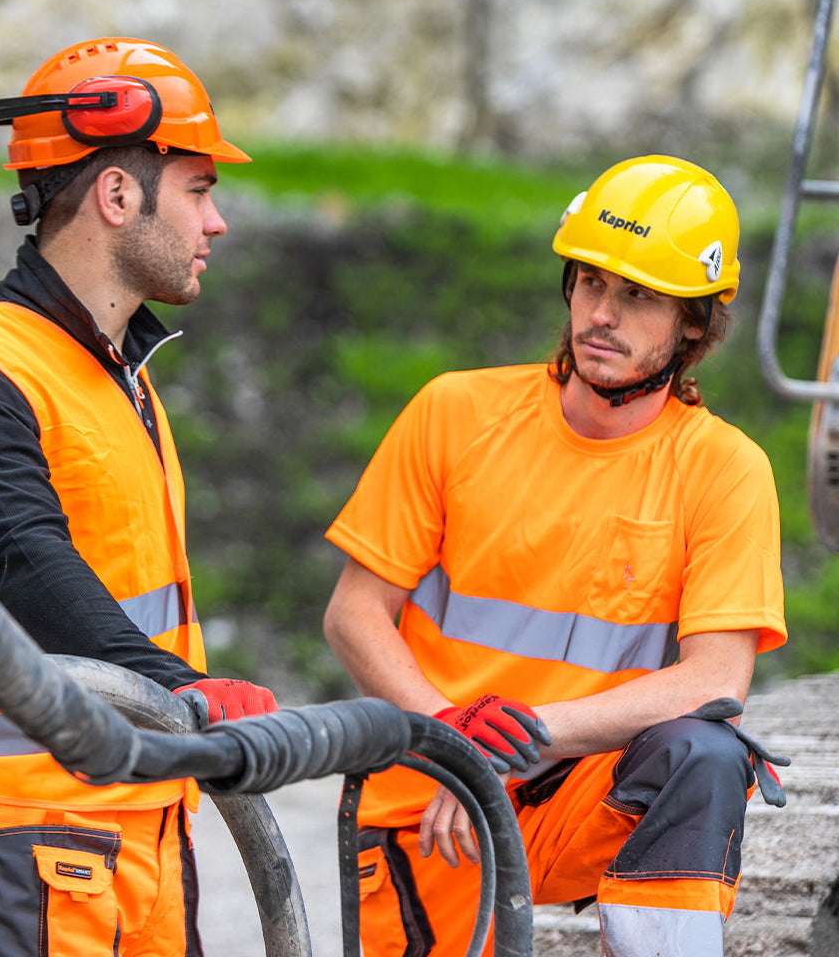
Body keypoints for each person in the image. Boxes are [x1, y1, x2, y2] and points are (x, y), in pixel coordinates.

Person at [322, 155, 788, 957]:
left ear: (693, 324)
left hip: (573, 796)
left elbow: (716, 680)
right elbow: (354, 613)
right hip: (431, 805)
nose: (603, 313)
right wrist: (455, 747)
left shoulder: (724, 468)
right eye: (591, 283)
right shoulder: (455, 413)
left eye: (638, 295)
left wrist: (517, 740)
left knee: (705, 754)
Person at [0, 37, 278, 957]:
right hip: (28, 842)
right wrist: (188, 693)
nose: (216, 220)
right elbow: (24, 563)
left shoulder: (117, 371)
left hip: (144, 819)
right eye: (198, 187)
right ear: (118, 196)